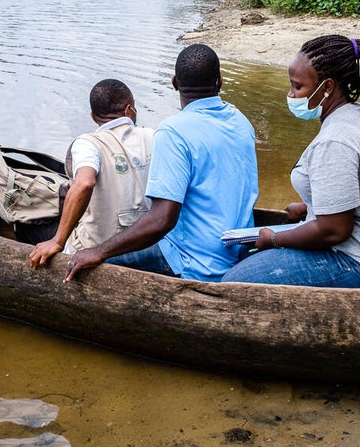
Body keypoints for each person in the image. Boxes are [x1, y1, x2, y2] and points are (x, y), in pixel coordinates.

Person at [220, 35, 360, 288]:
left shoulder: (334, 141)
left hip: (359, 260)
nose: (291, 94)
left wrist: (274, 238)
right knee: (244, 261)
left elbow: (334, 230)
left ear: (327, 87)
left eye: (297, 87)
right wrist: (311, 205)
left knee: (233, 282)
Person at [63, 44, 258, 282]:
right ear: (220, 82)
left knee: (87, 265)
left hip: (191, 260)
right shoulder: (241, 122)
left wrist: (98, 251)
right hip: (235, 252)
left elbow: (161, 220)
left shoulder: (173, 131)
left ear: (175, 83)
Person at [28, 79, 154, 268]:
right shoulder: (154, 136)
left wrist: (57, 241)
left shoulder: (88, 143)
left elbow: (84, 183)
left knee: (32, 231)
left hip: (93, 250)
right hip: (145, 245)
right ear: (129, 110)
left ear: (93, 117)